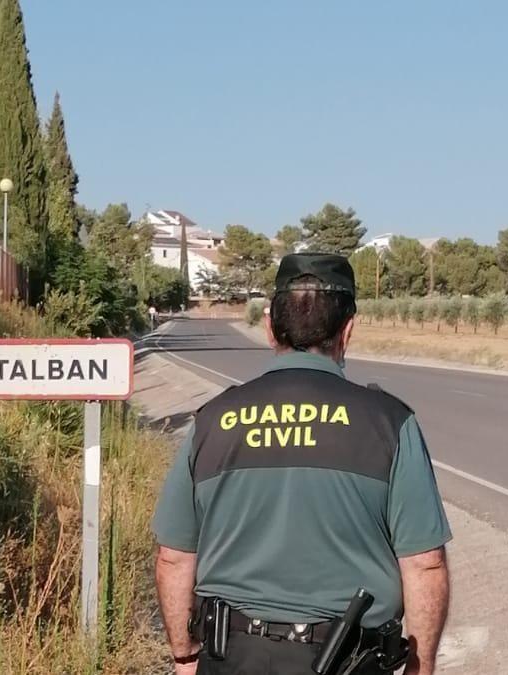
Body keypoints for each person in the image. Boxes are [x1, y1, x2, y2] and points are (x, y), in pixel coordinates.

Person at [151, 253, 451, 675]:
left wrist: (184, 655)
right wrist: (421, 668)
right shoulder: (389, 423)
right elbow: (425, 562)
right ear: (347, 330)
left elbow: (173, 556)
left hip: (230, 658)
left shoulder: (213, 420)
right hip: (348, 661)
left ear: (270, 328)